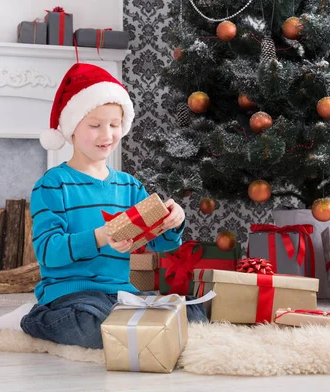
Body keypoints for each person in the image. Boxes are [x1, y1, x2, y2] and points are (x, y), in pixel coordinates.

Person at [20, 63, 207, 349]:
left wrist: (174, 222)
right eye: (95, 126)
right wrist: (101, 236)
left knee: (195, 311)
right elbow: (48, 251)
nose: (106, 135)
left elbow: (159, 244)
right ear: (71, 128)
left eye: (114, 125)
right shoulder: (52, 185)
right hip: (73, 294)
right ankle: (38, 320)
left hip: (122, 294)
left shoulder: (129, 186)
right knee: (89, 326)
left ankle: (128, 327)